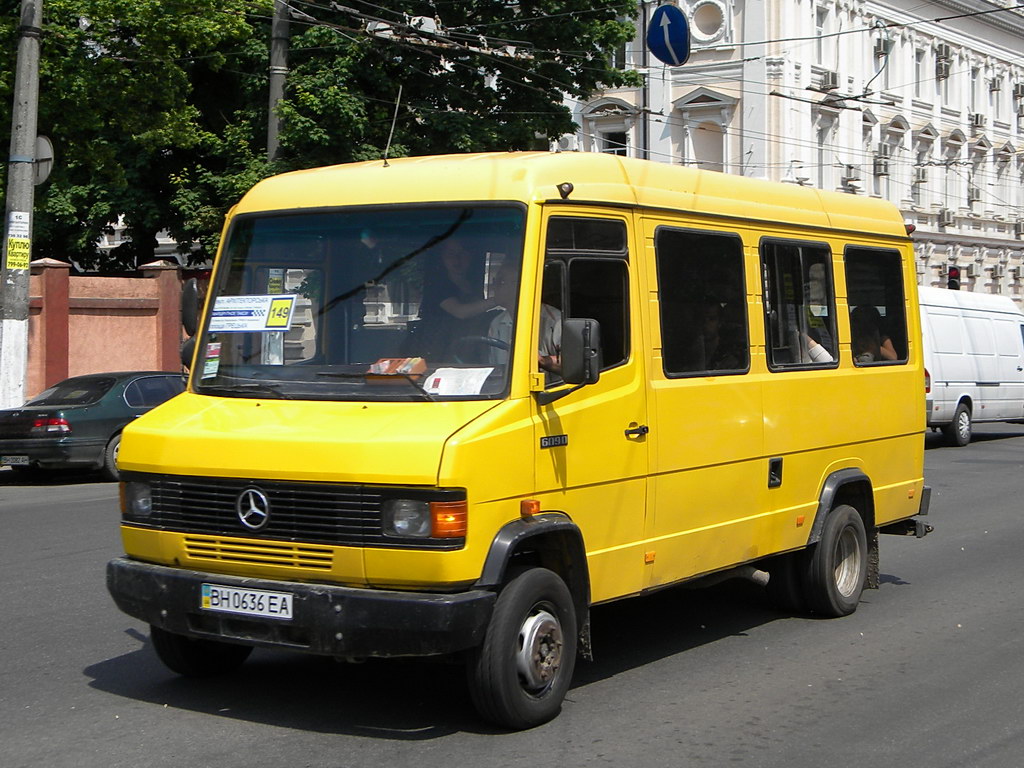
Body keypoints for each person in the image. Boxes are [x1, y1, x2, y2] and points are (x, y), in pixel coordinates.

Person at [416, 240, 499, 357]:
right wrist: (499, 299)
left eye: (463, 254)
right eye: (451, 254)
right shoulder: (437, 285)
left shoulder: (471, 284)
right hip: (437, 350)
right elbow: (460, 312)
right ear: (441, 258)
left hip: (466, 346)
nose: (457, 259)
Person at [488, 262, 561, 374]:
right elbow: (494, 366)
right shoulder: (496, 323)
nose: (494, 287)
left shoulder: (554, 321)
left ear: (519, 285)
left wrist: (541, 360)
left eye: (500, 282)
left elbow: (573, 364)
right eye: (494, 281)